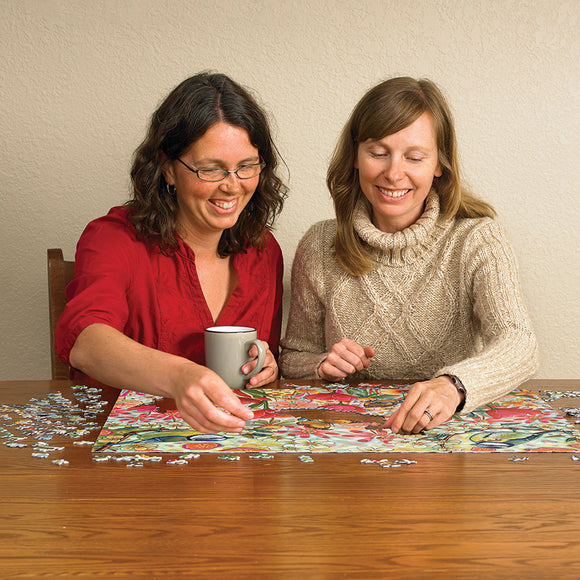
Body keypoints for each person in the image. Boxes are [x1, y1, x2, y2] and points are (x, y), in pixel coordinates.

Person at [280, 76, 538, 434]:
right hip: (349, 441)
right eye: (378, 153)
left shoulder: (478, 238)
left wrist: (453, 386)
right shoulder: (319, 244)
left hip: (450, 438)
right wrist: (322, 365)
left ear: (439, 164)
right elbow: (292, 359)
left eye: (414, 157)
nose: (393, 173)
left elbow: (519, 343)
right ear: (356, 156)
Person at [56, 72, 287, 433]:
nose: (232, 185)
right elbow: (86, 341)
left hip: (234, 453)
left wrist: (268, 365)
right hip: (125, 453)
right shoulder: (113, 239)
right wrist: (181, 376)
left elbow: (262, 363)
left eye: (246, 166)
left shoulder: (264, 251)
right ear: (167, 168)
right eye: (209, 169)